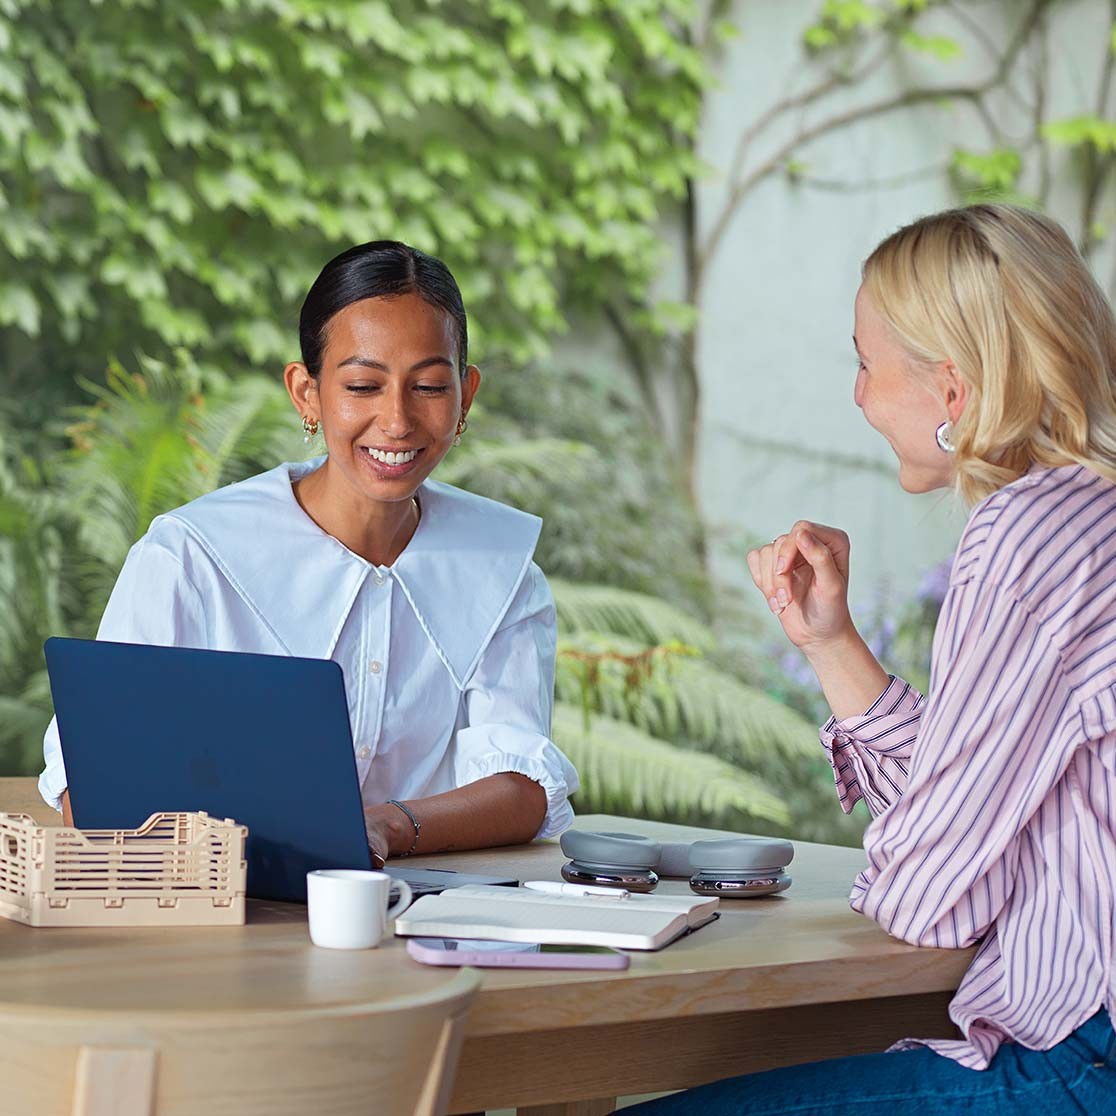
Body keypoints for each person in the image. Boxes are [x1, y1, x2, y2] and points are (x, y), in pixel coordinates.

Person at [630, 205, 1116, 1114]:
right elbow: (977, 806)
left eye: (864, 360)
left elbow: (936, 896)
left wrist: (910, 858)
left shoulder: (1024, 538)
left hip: (1082, 1060)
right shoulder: (1087, 515)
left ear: (954, 390)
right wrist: (830, 642)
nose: (856, 393)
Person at [39, 239, 578, 863]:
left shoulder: (503, 569)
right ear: (307, 394)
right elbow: (92, 782)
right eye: (362, 385)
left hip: (423, 914)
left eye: (429, 386)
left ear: (466, 396)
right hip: (228, 916)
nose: (397, 420)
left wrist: (385, 827)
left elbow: (521, 788)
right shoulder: (191, 559)